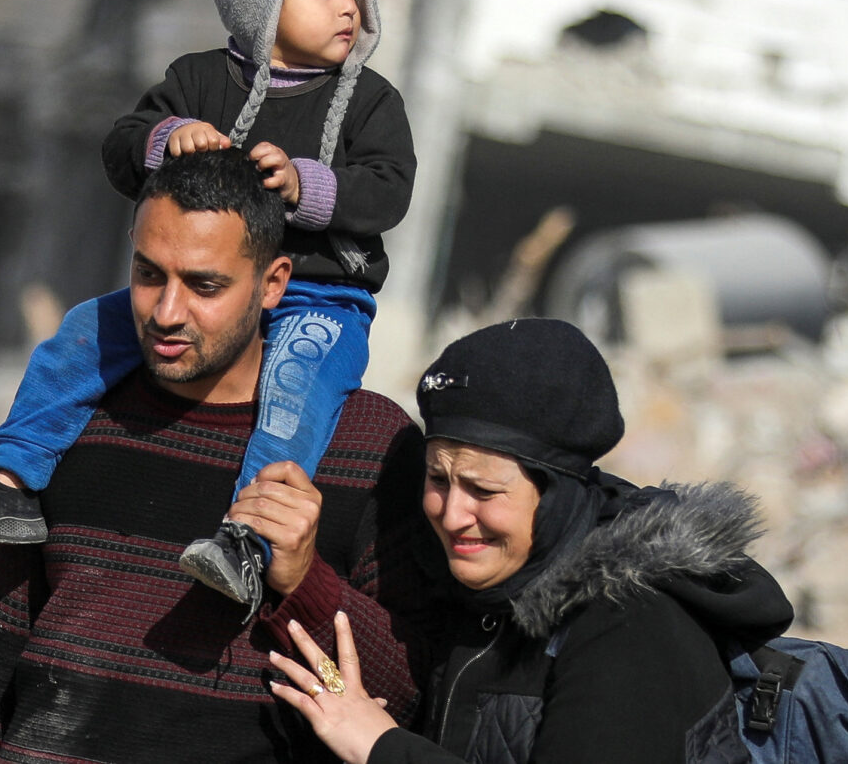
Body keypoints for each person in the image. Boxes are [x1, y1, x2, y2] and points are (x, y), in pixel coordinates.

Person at [0, 0, 416, 613]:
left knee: (294, 388)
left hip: (320, 295)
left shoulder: (369, 102)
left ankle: (247, 541)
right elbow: (121, 144)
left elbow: (390, 189)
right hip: (204, 293)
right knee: (79, 336)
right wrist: (170, 138)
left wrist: (311, 185)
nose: (350, 6)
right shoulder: (199, 79)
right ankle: (6, 486)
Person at [0, 150, 431, 763]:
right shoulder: (74, 420)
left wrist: (302, 580)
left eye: (204, 285)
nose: (166, 313)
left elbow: (408, 697)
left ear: (274, 283)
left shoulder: (369, 447)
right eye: (148, 275)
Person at [269, 318, 796, 764]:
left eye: (484, 489)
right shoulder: (478, 595)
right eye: (437, 479)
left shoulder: (629, 623)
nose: (453, 515)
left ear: (557, 493)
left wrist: (383, 747)